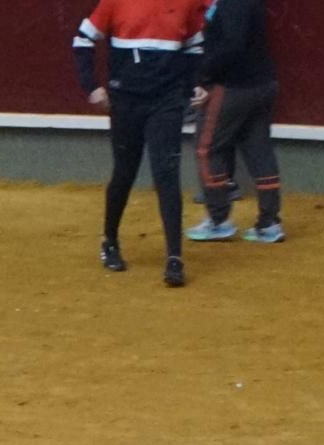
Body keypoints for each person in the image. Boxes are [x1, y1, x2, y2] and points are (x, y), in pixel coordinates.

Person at [72, 0, 208, 288]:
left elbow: (194, 46)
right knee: (125, 172)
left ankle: (174, 257)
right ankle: (110, 240)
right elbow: (82, 39)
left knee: (166, 173)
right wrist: (90, 85)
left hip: (166, 101)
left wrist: (195, 83)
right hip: (127, 101)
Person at [186, 0, 283, 245]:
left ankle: (218, 220)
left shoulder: (231, 3)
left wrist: (203, 75)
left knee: (207, 149)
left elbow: (232, 45)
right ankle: (269, 223)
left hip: (232, 86)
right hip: (263, 82)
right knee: (259, 149)